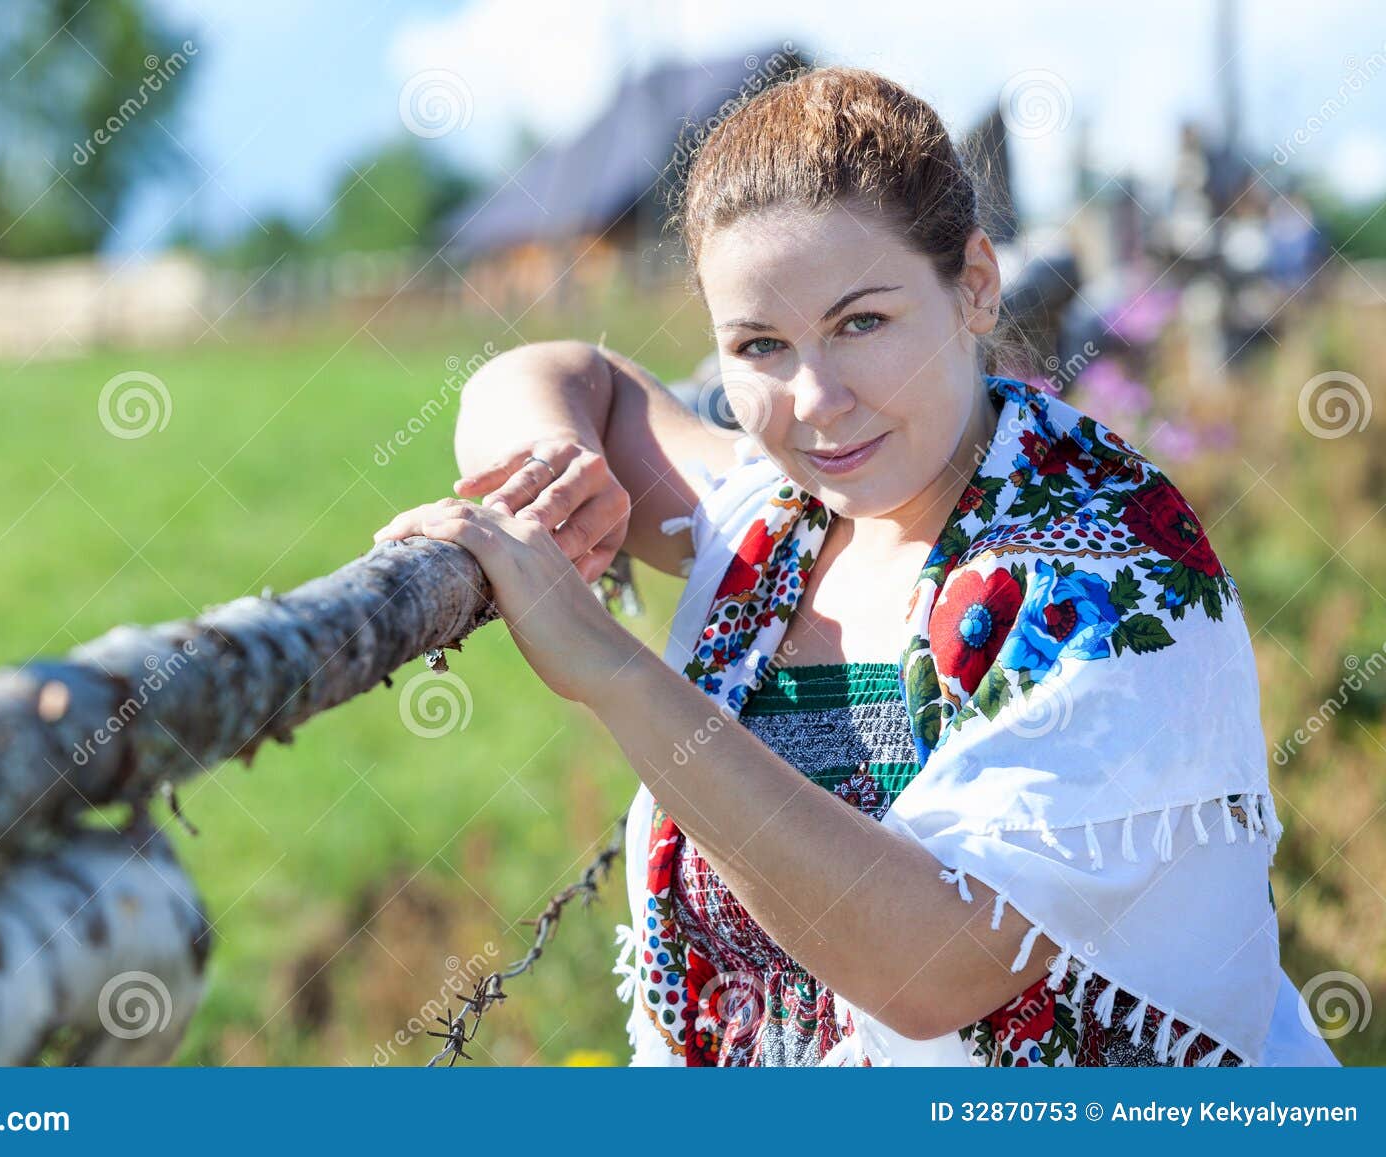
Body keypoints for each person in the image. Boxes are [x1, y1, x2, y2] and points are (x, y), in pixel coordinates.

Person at [374, 66, 1336, 1068]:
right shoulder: (775, 522)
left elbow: (931, 965)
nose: (816, 400)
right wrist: (552, 470)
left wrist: (617, 675)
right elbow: (563, 377)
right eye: (758, 344)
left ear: (973, 282)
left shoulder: (1108, 572)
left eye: (860, 323)